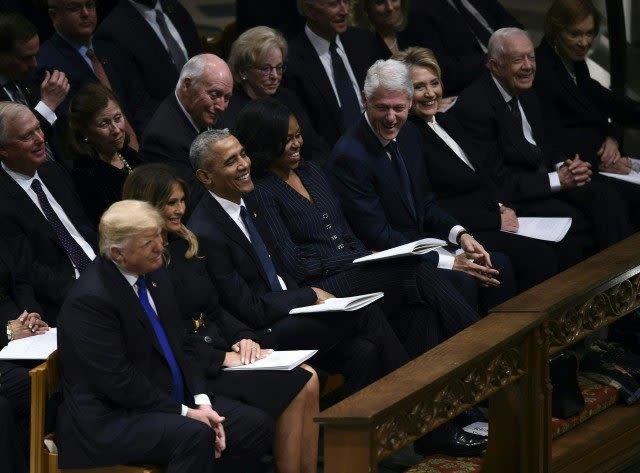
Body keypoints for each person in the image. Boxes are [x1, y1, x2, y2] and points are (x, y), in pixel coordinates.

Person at [239, 97, 482, 357]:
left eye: (298, 135)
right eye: (287, 140)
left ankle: (433, 388)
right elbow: (294, 263)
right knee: (416, 270)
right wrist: (357, 258)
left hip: (356, 268)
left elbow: (346, 233)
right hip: (323, 286)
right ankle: (483, 347)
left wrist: (365, 256)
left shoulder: (311, 172)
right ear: (265, 143)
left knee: (420, 313)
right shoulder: (261, 191)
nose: (297, 144)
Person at [122, 163, 321, 473]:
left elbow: (215, 309)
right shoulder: (145, 265)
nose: (179, 210)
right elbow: (167, 337)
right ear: (146, 208)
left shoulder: (186, 245)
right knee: (301, 382)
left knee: (309, 376)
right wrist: (221, 357)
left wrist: (243, 337)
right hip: (199, 372)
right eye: (170, 203)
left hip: (220, 349)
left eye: (181, 201)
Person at [187, 128, 412, 398]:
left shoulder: (250, 200)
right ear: (205, 177)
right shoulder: (206, 232)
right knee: (364, 312)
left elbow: (282, 268)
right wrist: (309, 294)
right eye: (230, 162)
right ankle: (422, 403)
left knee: (365, 352)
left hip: (291, 311)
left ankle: (341, 436)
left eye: (243, 154)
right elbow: (248, 308)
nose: (244, 165)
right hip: (262, 331)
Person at [56, 199, 274, 473]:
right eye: (149, 242)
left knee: (255, 426)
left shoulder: (154, 273)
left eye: (159, 234)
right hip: (111, 418)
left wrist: (201, 401)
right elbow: (119, 381)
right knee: (195, 436)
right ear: (118, 254)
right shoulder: (90, 301)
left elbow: (183, 345)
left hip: (164, 400)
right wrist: (185, 413)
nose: (161, 245)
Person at [327, 59, 516, 314]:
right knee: (463, 280)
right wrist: (448, 261)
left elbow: (426, 202)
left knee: (497, 264)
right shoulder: (349, 156)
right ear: (365, 100)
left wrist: (461, 235)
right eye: (382, 108)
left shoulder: (410, 134)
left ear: (409, 102)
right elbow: (378, 234)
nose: (392, 118)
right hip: (392, 261)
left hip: (423, 245)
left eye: (399, 108)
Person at [395, 46, 584, 289]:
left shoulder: (445, 121)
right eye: (419, 87)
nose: (431, 93)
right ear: (404, 92)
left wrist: (501, 205)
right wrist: (495, 218)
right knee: (539, 257)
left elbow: (484, 173)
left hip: (491, 214)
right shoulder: (410, 138)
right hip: (464, 229)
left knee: (569, 240)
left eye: (435, 83)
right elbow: (435, 204)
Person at [452, 27, 633, 251]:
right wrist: (558, 179)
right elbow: (497, 181)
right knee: (576, 223)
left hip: (547, 181)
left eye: (531, 57)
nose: (528, 66)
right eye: (518, 60)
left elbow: (545, 143)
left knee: (608, 196)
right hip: (519, 198)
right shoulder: (475, 106)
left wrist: (565, 166)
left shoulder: (526, 89)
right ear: (495, 65)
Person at [533, 0, 640, 228]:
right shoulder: (542, 70)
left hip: (597, 160)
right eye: (575, 34)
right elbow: (551, 135)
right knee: (614, 202)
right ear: (556, 31)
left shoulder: (574, 62)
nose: (584, 42)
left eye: (590, 33)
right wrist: (601, 160)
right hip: (573, 167)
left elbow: (605, 104)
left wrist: (611, 136)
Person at [0, 102, 96, 323]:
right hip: (66, 297)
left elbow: (84, 228)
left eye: (38, 129)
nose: (40, 139)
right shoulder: (3, 202)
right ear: (3, 149)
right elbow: (29, 270)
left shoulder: (52, 172)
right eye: (26, 136)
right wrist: (86, 290)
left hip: (101, 269)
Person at [38, 0, 154, 145]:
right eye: (75, 8)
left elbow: (139, 102)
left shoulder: (110, 46)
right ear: (54, 15)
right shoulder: (48, 63)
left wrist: (151, 143)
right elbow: (71, 126)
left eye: (90, 5)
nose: (86, 13)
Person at [282, 0, 385, 148]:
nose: (345, 11)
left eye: (346, 2)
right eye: (334, 4)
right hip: (333, 159)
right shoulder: (291, 61)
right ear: (310, 10)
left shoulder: (364, 40)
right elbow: (306, 132)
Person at [221, 26, 330, 163]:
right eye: (265, 69)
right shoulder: (230, 110)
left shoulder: (288, 97)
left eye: (279, 67)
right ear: (243, 71)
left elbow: (315, 144)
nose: (275, 76)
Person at [140, 53, 233, 209]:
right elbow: (194, 201)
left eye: (227, 97)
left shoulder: (205, 112)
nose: (221, 106)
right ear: (187, 85)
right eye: (215, 94)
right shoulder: (162, 138)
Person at [95, 0, 202, 113]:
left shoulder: (176, 8)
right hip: (170, 120)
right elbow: (139, 105)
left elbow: (202, 61)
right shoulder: (113, 32)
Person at [0, 237, 49, 473]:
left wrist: (31, 315)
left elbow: (20, 281)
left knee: (73, 361)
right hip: (7, 340)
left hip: (22, 331)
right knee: (28, 385)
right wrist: (7, 331)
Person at [402, 0, 522, 95]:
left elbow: (513, 25)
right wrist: (493, 60)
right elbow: (442, 70)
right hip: (476, 82)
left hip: (510, 61)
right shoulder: (419, 10)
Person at [66, 83, 141, 225]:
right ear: (85, 132)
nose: (116, 129)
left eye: (118, 118)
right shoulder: (86, 176)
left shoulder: (129, 155)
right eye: (104, 124)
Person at [0, 13, 70, 165]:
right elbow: (20, 139)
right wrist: (47, 106)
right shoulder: (47, 94)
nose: (34, 64)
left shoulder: (36, 80)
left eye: (35, 55)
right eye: (25, 58)